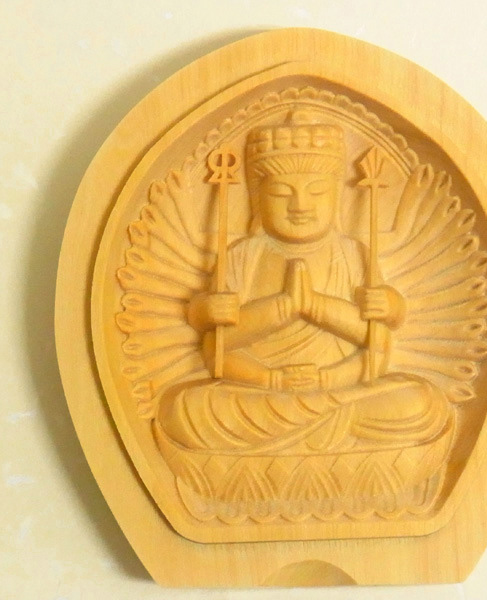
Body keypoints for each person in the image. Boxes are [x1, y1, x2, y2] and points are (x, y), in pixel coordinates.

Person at [156, 111, 450, 456]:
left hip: (341, 393)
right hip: (259, 395)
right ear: (258, 199)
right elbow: (218, 348)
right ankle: (330, 447)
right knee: (185, 409)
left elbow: (378, 341)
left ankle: (293, 444)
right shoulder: (244, 255)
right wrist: (259, 318)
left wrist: (338, 308)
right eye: (281, 194)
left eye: (317, 191)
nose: (300, 206)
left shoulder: (353, 253)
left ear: (335, 197)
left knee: (421, 402)